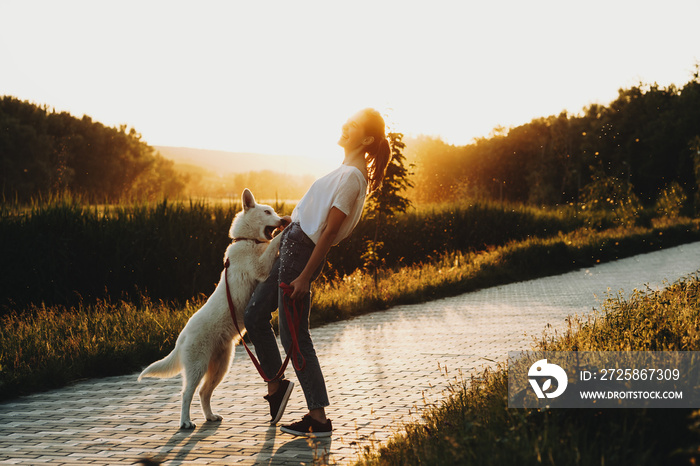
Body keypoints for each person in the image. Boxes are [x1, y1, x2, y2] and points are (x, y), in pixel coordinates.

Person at [243, 108, 392, 438]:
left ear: (366, 138)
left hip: (302, 257)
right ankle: (276, 385)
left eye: (353, 125)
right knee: (252, 315)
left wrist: (306, 277)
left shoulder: (353, 177)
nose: (345, 125)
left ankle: (319, 419)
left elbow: (327, 233)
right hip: (292, 243)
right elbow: (313, 220)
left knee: (294, 334)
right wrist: (290, 224)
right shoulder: (343, 171)